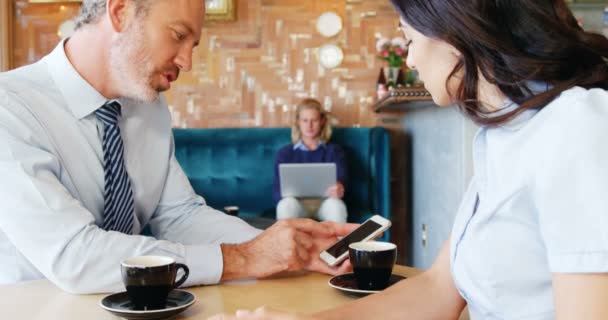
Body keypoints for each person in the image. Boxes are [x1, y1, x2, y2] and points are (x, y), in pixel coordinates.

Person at [210, 0, 608, 319]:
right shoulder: (498, 138)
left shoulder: (575, 128)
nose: (410, 60)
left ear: (451, 31)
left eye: (409, 39)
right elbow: (438, 290)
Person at [0, 0, 355, 294]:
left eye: (193, 45)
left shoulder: (148, 107)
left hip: (141, 305)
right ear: (121, 12)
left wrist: (289, 246)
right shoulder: (9, 107)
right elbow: (74, 257)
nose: (187, 61)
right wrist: (246, 258)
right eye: (178, 35)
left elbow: (180, 216)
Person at [273, 98, 348, 223]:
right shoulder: (284, 153)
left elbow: (344, 180)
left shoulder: (335, 151)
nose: (309, 125)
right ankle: (286, 242)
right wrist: (286, 194)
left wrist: (340, 187)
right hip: (297, 204)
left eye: (314, 120)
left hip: (326, 203)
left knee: (337, 207)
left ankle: (340, 243)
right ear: (298, 122)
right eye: (305, 120)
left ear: (322, 121)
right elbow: (276, 192)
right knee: (285, 205)